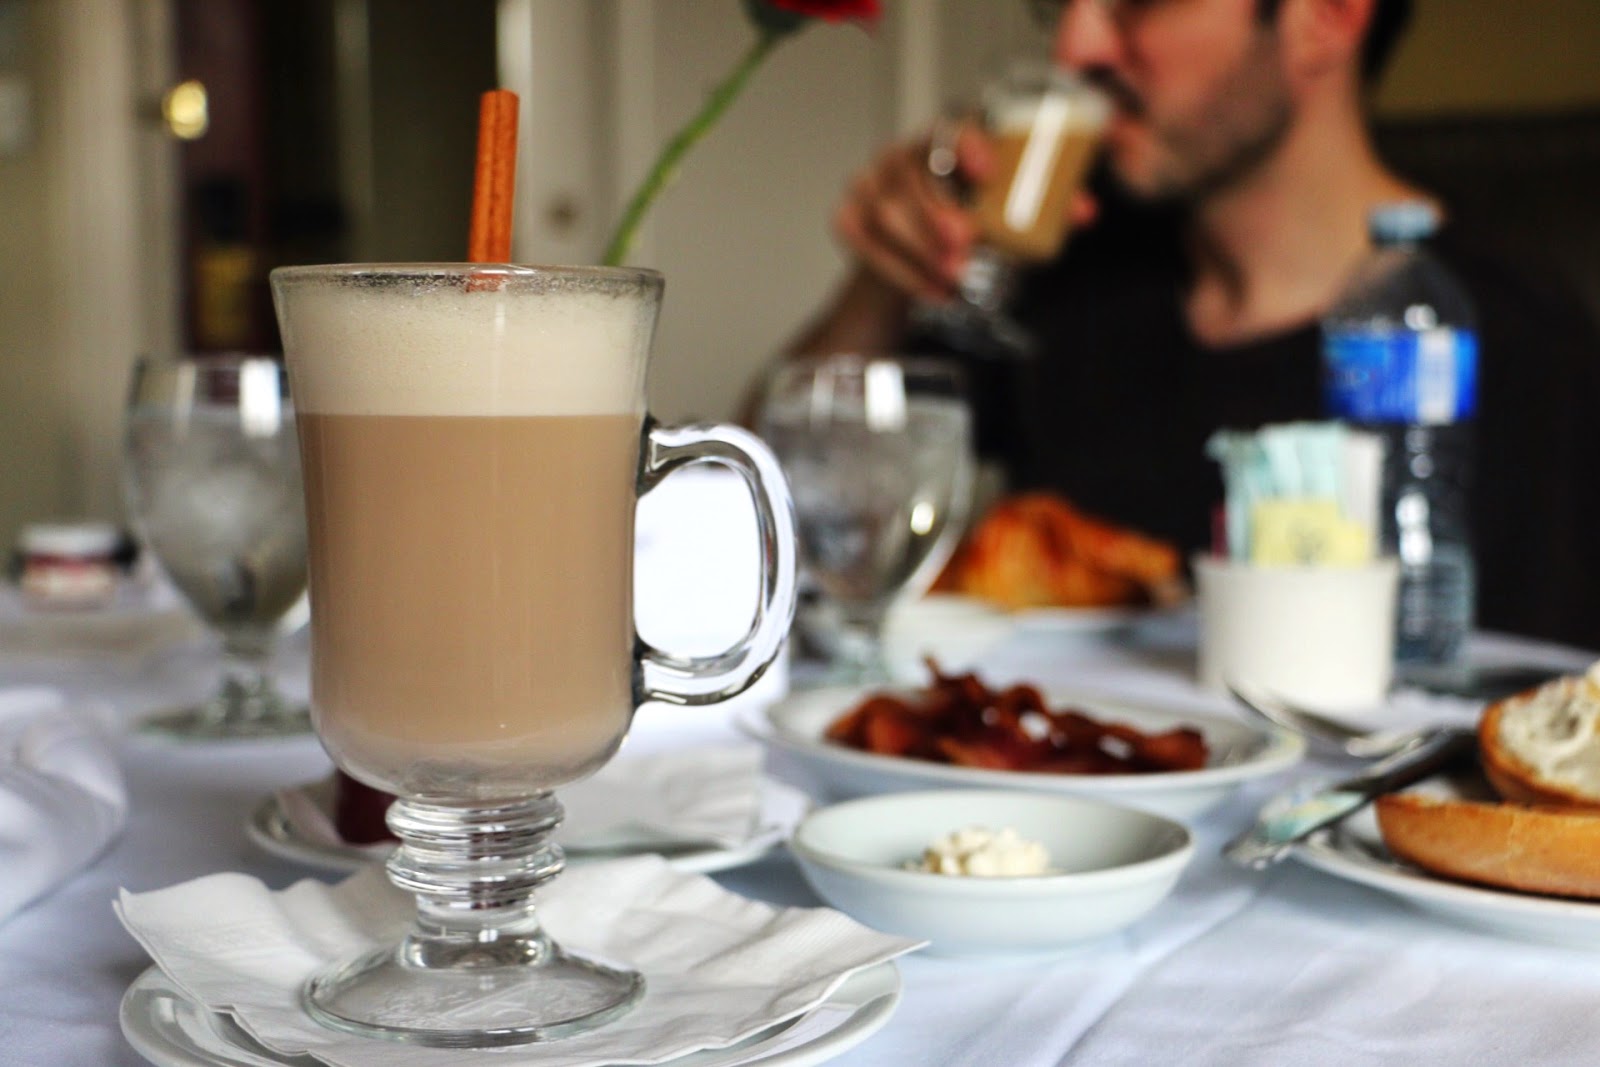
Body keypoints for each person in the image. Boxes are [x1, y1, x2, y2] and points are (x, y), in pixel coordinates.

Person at [784, 0, 1600, 650]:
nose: (1077, 46)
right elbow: (776, 509)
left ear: (1327, 16)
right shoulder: (1069, 279)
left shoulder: (1509, 341)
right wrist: (886, 279)